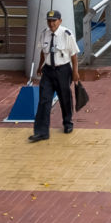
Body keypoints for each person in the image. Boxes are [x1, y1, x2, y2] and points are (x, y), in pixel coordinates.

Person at [30, 10, 81, 142]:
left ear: (60, 21)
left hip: (63, 70)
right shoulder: (44, 34)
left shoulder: (66, 34)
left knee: (65, 98)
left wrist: (75, 72)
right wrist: (40, 66)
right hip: (47, 71)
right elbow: (43, 52)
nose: (51, 23)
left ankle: (68, 122)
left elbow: (73, 55)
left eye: (54, 20)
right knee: (44, 100)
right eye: (49, 21)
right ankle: (41, 132)